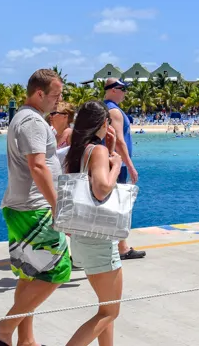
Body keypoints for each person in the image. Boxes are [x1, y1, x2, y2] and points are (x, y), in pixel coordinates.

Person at [0, 69, 69, 346]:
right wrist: (57, 206)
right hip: (35, 209)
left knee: (30, 273)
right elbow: (37, 165)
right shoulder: (32, 121)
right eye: (56, 95)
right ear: (39, 93)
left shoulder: (24, 118)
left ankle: (27, 341)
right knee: (58, 271)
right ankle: (4, 330)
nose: (59, 101)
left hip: (22, 206)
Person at [63, 102, 124, 346]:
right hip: (99, 238)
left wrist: (108, 149)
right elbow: (101, 189)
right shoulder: (95, 151)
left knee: (105, 308)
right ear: (101, 124)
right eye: (107, 122)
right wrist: (116, 165)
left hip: (81, 237)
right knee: (110, 312)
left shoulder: (76, 152)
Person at [103, 79, 145, 261]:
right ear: (113, 90)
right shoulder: (114, 111)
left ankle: (120, 245)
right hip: (115, 165)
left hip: (108, 162)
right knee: (119, 206)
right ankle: (121, 247)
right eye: (123, 89)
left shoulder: (104, 108)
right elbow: (119, 140)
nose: (125, 93)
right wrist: (130, 165)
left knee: (111, 204)